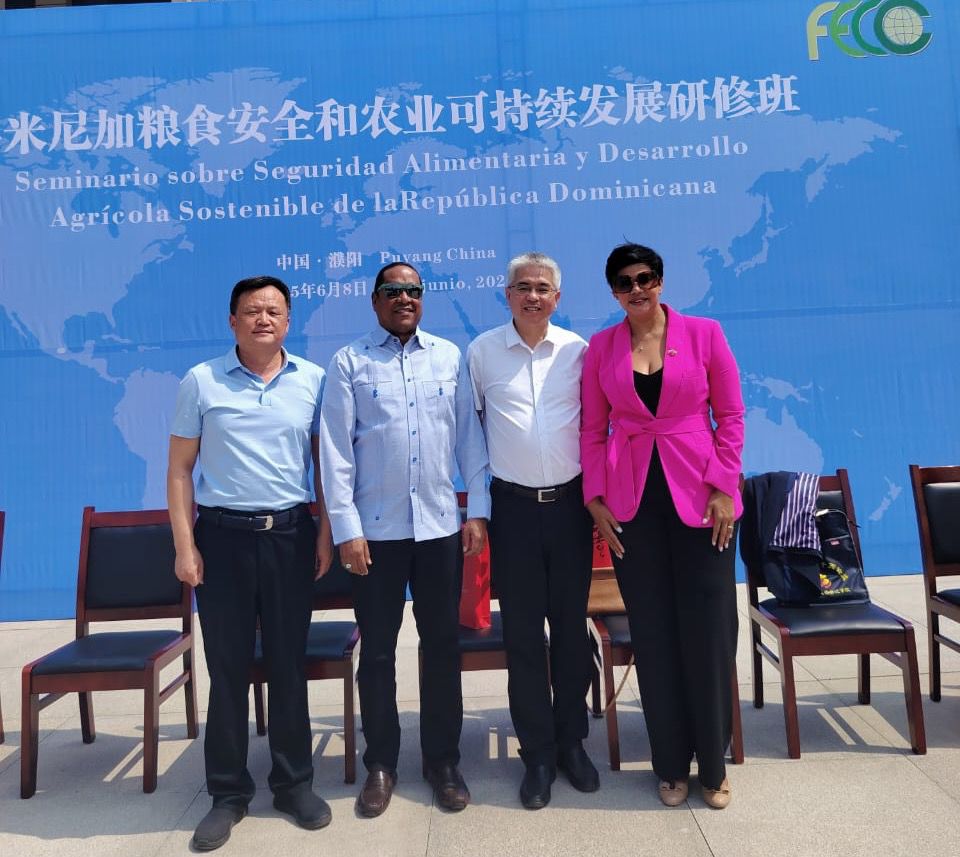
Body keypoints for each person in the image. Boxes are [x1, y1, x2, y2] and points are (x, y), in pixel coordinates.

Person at [167, 275, 333, 851]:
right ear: (232, 321)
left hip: (290, 536)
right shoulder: (202, 381)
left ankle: (293, 784)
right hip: (223, 540)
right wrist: (185, 546)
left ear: (288, 321)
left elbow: (324, 467)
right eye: (252, 310)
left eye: (274, 311)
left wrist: (325, 533)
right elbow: (180, 470)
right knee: (229, 668)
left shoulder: (312, 380)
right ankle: (227, 794)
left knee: (288, 664)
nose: (264, 318)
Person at [319, 262, 489, 817]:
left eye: (413, 290)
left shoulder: (448, 357)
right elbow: (336, 454)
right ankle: (381, 764)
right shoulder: (349, 362)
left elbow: (470, 441)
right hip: (375, 535)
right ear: (375, 301)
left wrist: (477, 512)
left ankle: (443, 762)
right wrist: (347, 530)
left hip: (439, 528)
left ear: (423, 298)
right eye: (392, 291)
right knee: (378, 652)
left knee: (441, 647)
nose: (404, 298)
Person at [580, 244, 744, 810]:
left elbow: (731, 416)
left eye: (645, 278)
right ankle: (670, 765)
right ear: (614, 291)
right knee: (652, 634)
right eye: (625, 282)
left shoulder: (704, 334)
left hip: (702, 501)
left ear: (661, 280)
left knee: (708, 634)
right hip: (632, 505)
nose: (637, 289)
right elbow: (592, 430)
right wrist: (594, 497)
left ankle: (713, 768)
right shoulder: (601, 347)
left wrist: (723, 487)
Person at [467, 252, 599, 809]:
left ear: (557, 298)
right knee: (522, 636)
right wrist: (477, 511)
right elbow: (472, 437)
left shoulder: (577, 351)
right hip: (513, 510)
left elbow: (595, 428)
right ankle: (538, 755)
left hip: (570, 508)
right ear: (507, 295)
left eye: (543, 288)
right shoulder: (482, 353)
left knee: (569, 632)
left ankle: (572, 743)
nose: (533, 296)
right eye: (522, 287)